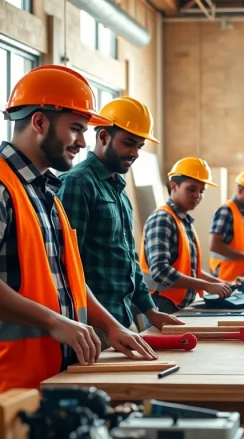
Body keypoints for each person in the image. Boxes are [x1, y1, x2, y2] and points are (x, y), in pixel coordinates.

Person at [0, 65, 157, 431]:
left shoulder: (47, 194)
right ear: (40, 122)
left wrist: (111, 324)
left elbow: (68, 280)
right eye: (75, 129)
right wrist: (54, 321)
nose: (81, 141)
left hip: (46, 375)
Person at [57, 96, 183, 349]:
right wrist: (103, 323)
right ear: (103, 137)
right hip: (93, 326)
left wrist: (150, 310)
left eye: (139, 145)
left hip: (123, 319)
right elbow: (68, 264)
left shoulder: (118, 189)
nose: (135, 153)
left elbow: (129, 260)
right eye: (128, 143)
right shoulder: (77, 183)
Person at [139, 157, 235, 314]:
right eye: (191, 189)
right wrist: (205, 285)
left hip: (176, 304)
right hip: (161, 304)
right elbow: (160, 271)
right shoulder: (163, 219)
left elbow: (190, 270)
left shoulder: (182, 220)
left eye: (201, 191)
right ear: (174, 186)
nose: (197, 195)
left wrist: (219, 283)